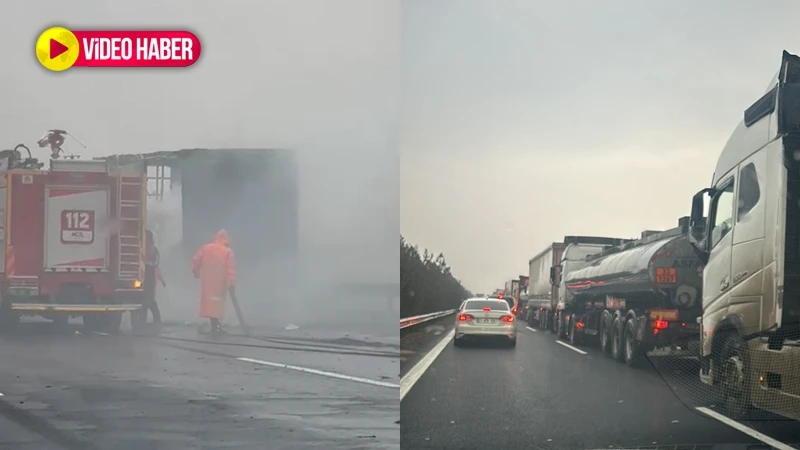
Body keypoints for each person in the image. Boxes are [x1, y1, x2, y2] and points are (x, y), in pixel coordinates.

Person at [192, 230, 236, 335]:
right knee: (218, 305)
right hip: (220, 283)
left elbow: (196, 260)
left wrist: (196, 272)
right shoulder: (227, 252)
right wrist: (232, 283)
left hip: (207, 281)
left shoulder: (205, 248)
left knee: (210, 304)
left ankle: (215, 326)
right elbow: (230, 269)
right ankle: (216, 327)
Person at [141, 229, 166, 326]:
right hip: (148, 278)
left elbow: (155, 267)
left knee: (147, 301)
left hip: (146, 277)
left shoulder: (145, 249)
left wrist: (161, 279)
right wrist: (161, 280)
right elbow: (156, 266)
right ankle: (155, 321)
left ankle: (144, 322)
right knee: (149, 301)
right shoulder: (153, 249)